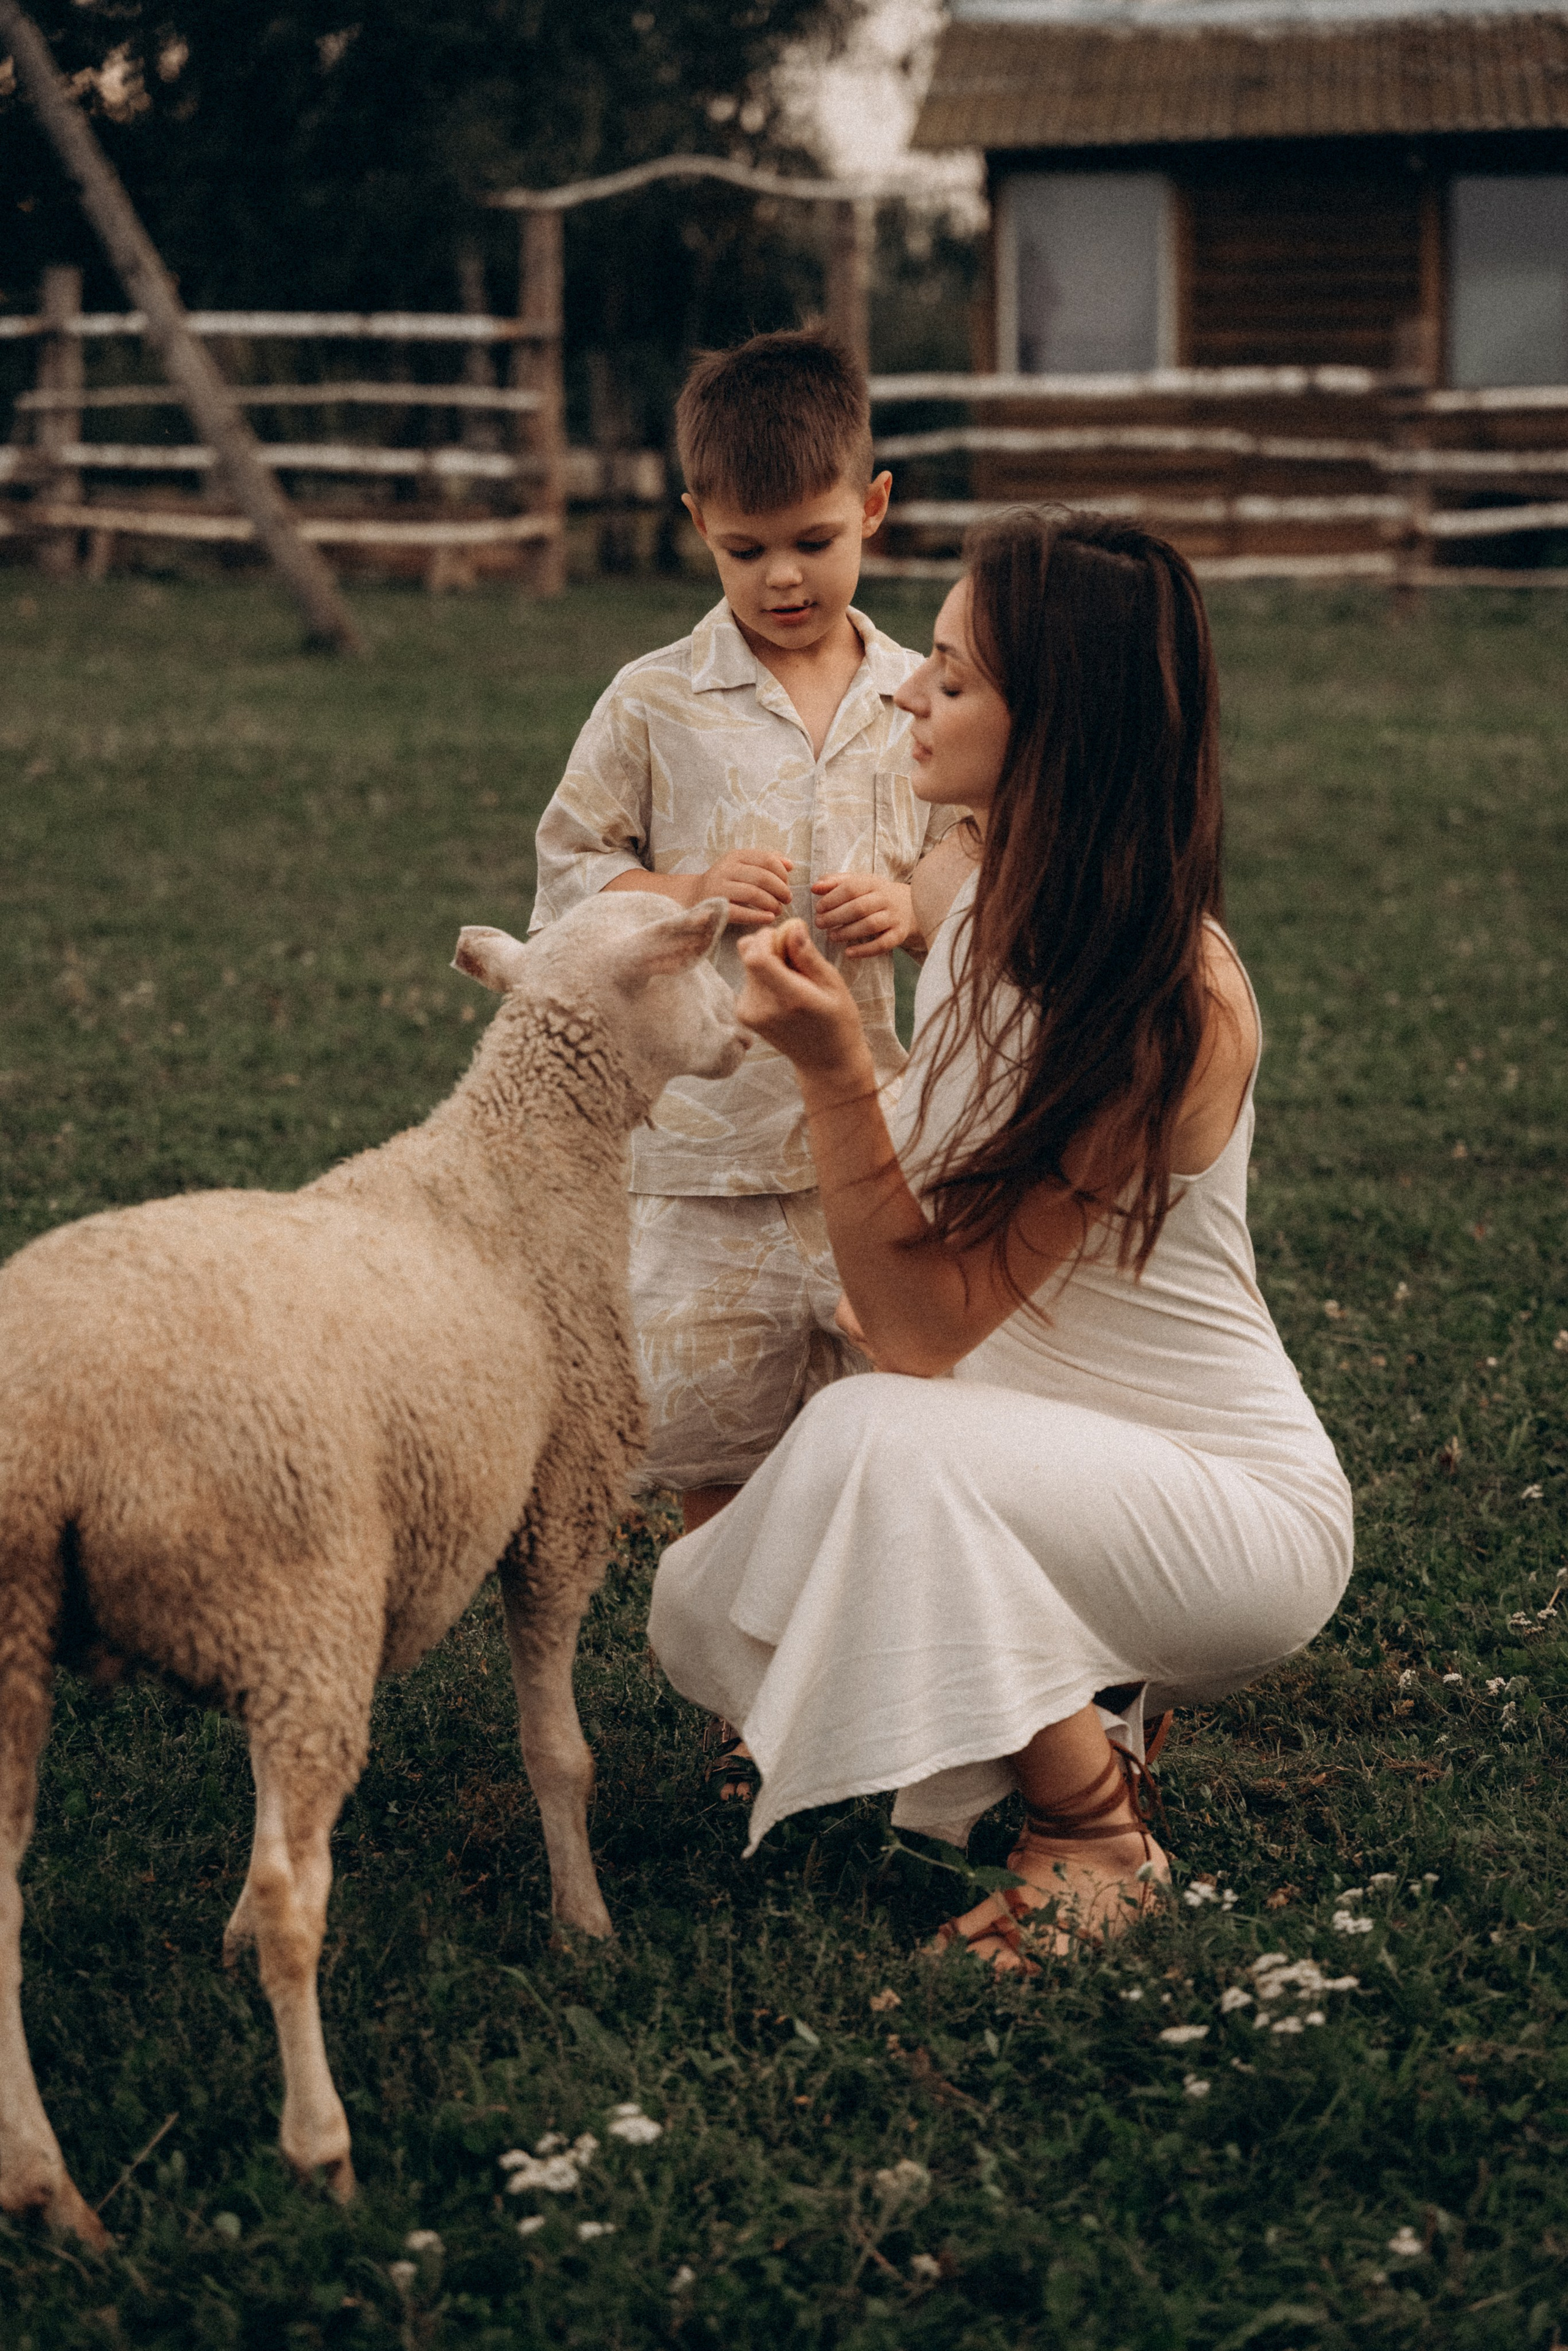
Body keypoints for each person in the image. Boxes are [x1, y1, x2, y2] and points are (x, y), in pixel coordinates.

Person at [647, 510, 1354, 1966]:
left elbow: (917, 1321)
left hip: (1233, 1512)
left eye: (955, 679)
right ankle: (1074, 1694)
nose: (908, 689)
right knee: (693, 1609)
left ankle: (1090, 1834)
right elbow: (925, 1251)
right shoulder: (981, 903)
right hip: (1045, 1441)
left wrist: (837, 1072)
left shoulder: (1167, 999)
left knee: (881, 1427)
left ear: (1058, 729)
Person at [529, 329, 963, 1596]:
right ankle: (738, 1692)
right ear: (695, 526)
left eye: (812, 542)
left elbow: (973, 847)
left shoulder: (916, 696)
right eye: (745, 549)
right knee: (712, 1431)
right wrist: (683, 888)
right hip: (702, 1152)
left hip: (880, 1139)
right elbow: (568, 864)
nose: (781, 577)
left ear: (871, 510)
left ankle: (857, 1662)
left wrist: (909, 901)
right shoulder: (653, 700)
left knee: (882, 1422)